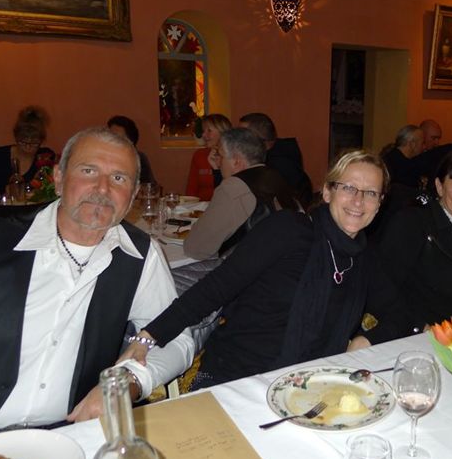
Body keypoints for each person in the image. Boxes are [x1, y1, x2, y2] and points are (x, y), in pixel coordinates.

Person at [0, 127, 196, 459]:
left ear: (134, 194)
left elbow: (177, 338)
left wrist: (127, 382)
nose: (102, 189)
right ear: (58, 178)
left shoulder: (140, 254)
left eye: (119, 178)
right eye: (88, 171)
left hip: (69, 444)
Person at [127, 150, 388, 388]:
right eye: (349, 188)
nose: (358, 201)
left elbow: (399, 312)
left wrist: (364, 339)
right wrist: (148, 336)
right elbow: (215, 287)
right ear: (328, 192)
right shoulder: (289, 230)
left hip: (313, 384)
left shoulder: (364, 258)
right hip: (235, 377)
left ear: (379, 203)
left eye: (370, 193)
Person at [351, 149, 452, 350]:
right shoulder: (412, 223)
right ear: (439, 186)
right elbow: (383, 290)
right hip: (422, 341)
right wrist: (419, 326)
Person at [182, 127, 299, 260]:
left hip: (251, 268)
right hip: (284, 262)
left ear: (236, 161)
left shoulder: (233, 188)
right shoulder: (277, 177)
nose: (218, 162)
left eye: (220, 156)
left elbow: (195, 248)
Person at [0, 106, 56, 202]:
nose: (28, 146)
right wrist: (5, 196)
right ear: (16, 137)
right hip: (1, 208)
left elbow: (52, 190)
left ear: (41, 140)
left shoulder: (45, 157)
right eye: (23, 142)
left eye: (34, 143)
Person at [238, 112, 313, 208]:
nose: (237, 141)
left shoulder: (280, 166)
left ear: (258, 139)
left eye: (242, 137)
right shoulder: (278, 154)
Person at [185, 114, 231, 200]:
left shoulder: (232, 157)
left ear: (223, 133)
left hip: (223, 204)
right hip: (200, 206)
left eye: (209, 131)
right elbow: (191, 190)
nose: (203, 135)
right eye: (203, 131)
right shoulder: (199, 155)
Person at [107, 115, 156, 185]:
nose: (111, 141)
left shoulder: (138, 158)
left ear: (131, 142)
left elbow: (148, 187)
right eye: (109, 136)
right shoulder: (100, 156)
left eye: (118, 138)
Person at [381, 125, 425, 189]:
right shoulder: (393, 164)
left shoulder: (390, 158)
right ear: (412, 144)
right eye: (422, 143)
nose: (424, 147)